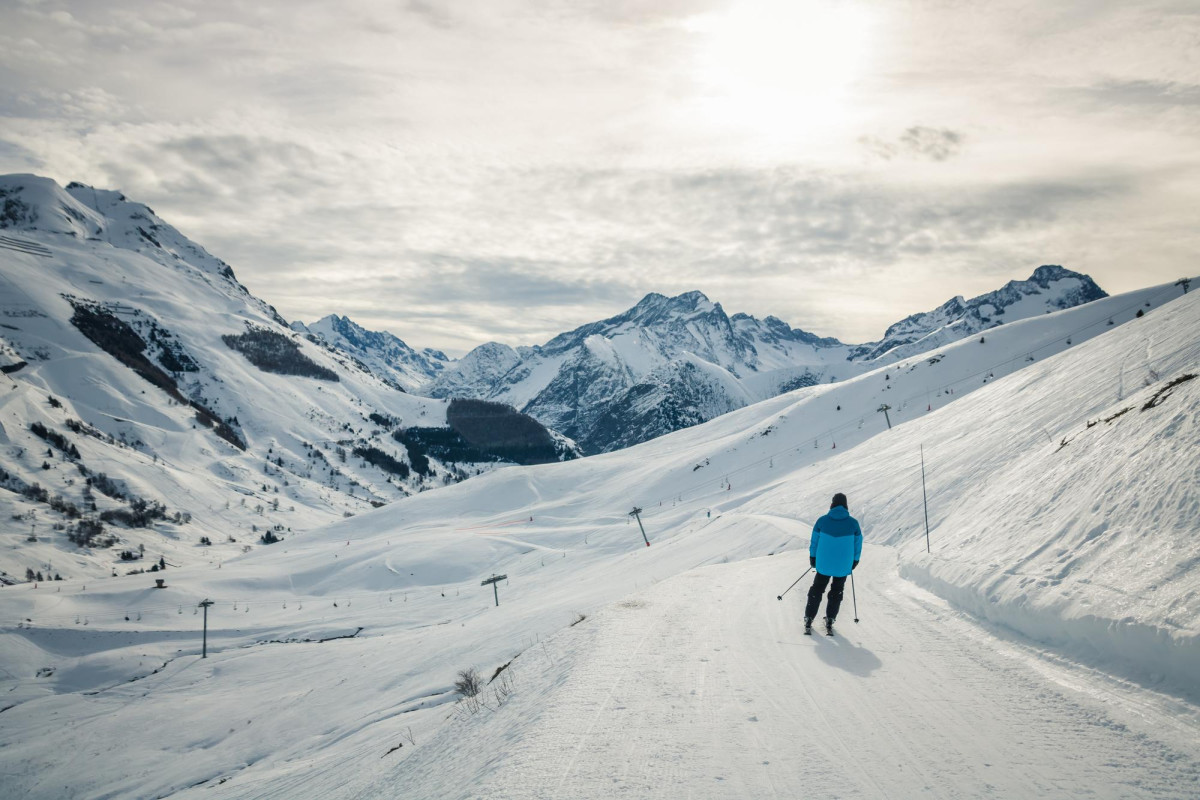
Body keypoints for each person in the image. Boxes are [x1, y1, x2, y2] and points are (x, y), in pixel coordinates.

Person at [804, 492, 862, 635]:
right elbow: (858, 544)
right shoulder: (853, 524)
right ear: (846, 505)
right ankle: (830, 619)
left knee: (817, 589)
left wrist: (813, 558)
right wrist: (855, 561)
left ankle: (809, 617)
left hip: (823, 563)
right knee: (837, 590)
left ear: (832, 504)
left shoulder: (822, 521)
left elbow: (814, 542)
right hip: (843, 565)